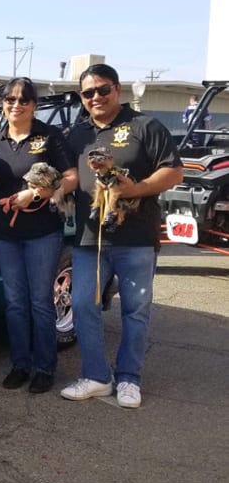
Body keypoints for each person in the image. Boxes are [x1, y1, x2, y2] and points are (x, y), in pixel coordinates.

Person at [61, 64, 182, 408]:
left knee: (135, 310)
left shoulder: (145, 126)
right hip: (90, 238)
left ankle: (129, 378)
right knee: (84, 304)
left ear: (118, 90)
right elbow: (70, 175)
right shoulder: (77, 134)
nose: (95, 97)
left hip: (137, 238)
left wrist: (139, 188)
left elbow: (174, 171)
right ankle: (97, 376)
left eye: (103, 89)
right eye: (88, 93)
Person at [0, 78, 77, 394]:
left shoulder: (49, 136)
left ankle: (45, 368)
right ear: (3, 102)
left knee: (39, 302)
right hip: (6, 235)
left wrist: (36, 194)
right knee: (15, 303)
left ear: (33, 104)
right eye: (10, 99)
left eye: (23, 100)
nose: (15, 105)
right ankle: (21, 365)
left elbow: (72, 178)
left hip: (43, 233)